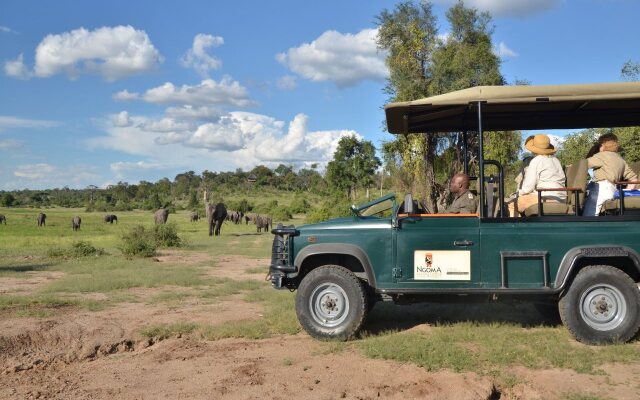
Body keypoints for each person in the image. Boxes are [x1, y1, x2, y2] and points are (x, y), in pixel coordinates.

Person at [509, 133, 566, 216]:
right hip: (561, 198)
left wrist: (517, 194)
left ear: (534, 149)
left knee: (512, 205)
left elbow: (528, 187)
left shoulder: (536, 161)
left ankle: (515, 229)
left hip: (543, 197)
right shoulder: (556, 160)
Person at [583, 133, 638, 216]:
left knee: (588, 217)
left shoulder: (600, 156)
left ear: (602, 145)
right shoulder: (621, 159)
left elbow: (583, 165)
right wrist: (622, 195)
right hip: (613, 191)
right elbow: (634, 179)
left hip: (600, 189)